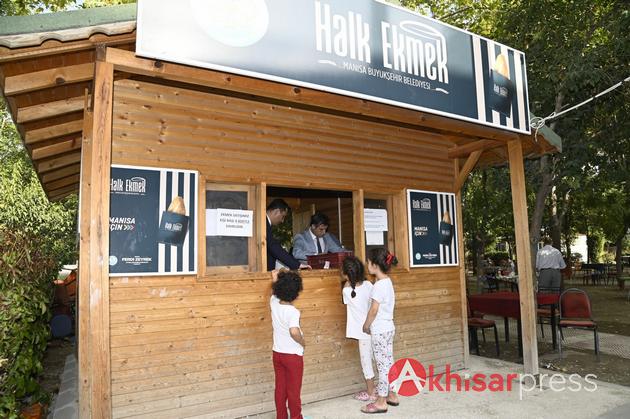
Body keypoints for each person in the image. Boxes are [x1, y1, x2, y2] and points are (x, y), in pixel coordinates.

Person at [361, 248, 399, 414]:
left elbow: (374, 310)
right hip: (389, 328)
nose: (367, 265)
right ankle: (393, 394)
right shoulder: (388, 282)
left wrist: (366, 325)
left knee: (382, 366)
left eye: (368, 262)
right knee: (389, 362)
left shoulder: (378, 286)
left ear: (375, 265)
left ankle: (381, 401)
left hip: (380, 330)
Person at [270, 269, 306, 419]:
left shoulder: (273, 303)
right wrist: (302, 342)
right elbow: (294, 331)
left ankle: (281, 417)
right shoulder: (293, 312)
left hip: (277, 354)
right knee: (293, 391)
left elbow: (274, 290)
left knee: (280, 388)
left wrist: (275, 277)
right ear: (296, 293)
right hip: (293, 357)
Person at [340, 256, 375, 402]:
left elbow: (348, 288)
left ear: (346, 275)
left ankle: (371, 392)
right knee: (377, 359)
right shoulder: (369, 285)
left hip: (363, 332)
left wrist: (348, 281)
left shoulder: (346, 290)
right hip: (374, 328)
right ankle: (383, 389)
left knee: (366, 363)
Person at [266, 199, 310, 271]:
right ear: (276, 211)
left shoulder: (265, 223)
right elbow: (273, 246)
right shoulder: (264, 223)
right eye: (283, 216)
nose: (282, 221)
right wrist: (297, 265)